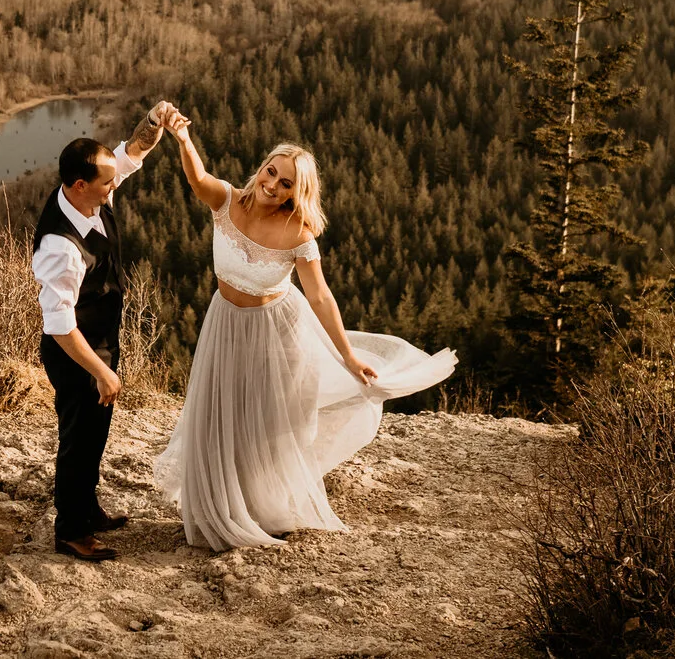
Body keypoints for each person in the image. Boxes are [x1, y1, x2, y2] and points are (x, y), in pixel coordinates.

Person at [152, 116, 457, 550]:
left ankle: (261, 509)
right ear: (261, 168)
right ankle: (214, 508)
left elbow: (320, 297)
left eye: (287, 183)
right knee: (218, 416)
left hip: (277, 334)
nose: (273, 184)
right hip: (224, 325)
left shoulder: (299, 231)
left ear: (299, 192)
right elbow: (196, 177)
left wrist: (348, 356)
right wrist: (182, 137)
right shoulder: (226, 201)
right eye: (271, 171)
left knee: (263, 426)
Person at [31, 101, 179, 563]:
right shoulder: (59, 247)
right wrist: (102, 371)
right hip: (77, 352)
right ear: (80, 186)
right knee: (78, 439)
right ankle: (71, 531)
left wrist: (155, 122)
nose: (116, 185)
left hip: (101, 342)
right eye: (107, 182)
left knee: (95, 434)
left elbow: (133, 150)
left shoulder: (91, 195)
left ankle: (88, 508)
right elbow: (58, 326)